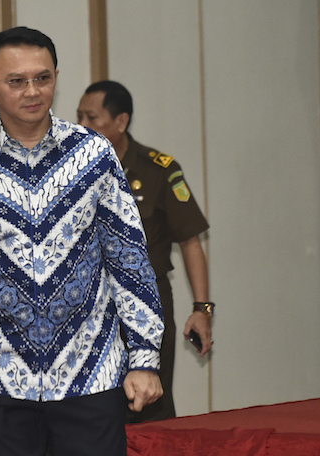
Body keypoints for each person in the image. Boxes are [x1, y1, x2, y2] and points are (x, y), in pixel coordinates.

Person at [0, 27, 164, 456]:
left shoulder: (93, 154)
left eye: (43, 78)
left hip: (89, 372)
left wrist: (144, 357)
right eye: (16, 81)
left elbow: (129, 258)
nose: (33, 91)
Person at [77, 80, 213, 423]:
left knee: (150, 404)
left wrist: (202, 309)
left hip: (146, 303)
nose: (81, 126)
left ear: (120, 122)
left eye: (92, 118)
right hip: (85, 306)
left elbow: (190, 242)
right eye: (78, 117)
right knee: (89, 408)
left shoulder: (159, 170)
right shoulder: (69, 170)